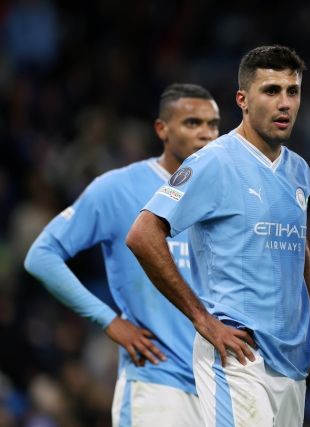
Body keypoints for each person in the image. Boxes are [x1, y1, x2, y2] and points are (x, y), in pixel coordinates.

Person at [126, 45, 310, 426]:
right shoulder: (214, 160)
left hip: (292, 362)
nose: (284, 103)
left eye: (292, 91)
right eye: (271, 90)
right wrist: (202, 319)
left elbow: (299, 246)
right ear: (242, 99)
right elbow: (143, 234)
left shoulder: (299, 170)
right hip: (238, 356)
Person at [24, 83, 221, 426]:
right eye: (193, 123)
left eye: (213, 125)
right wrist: (109, 320)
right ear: (162, 129)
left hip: (221, 388)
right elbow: (41, 255)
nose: (206, 133)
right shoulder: (117, 188)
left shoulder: (224, 195)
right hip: (157, 384)